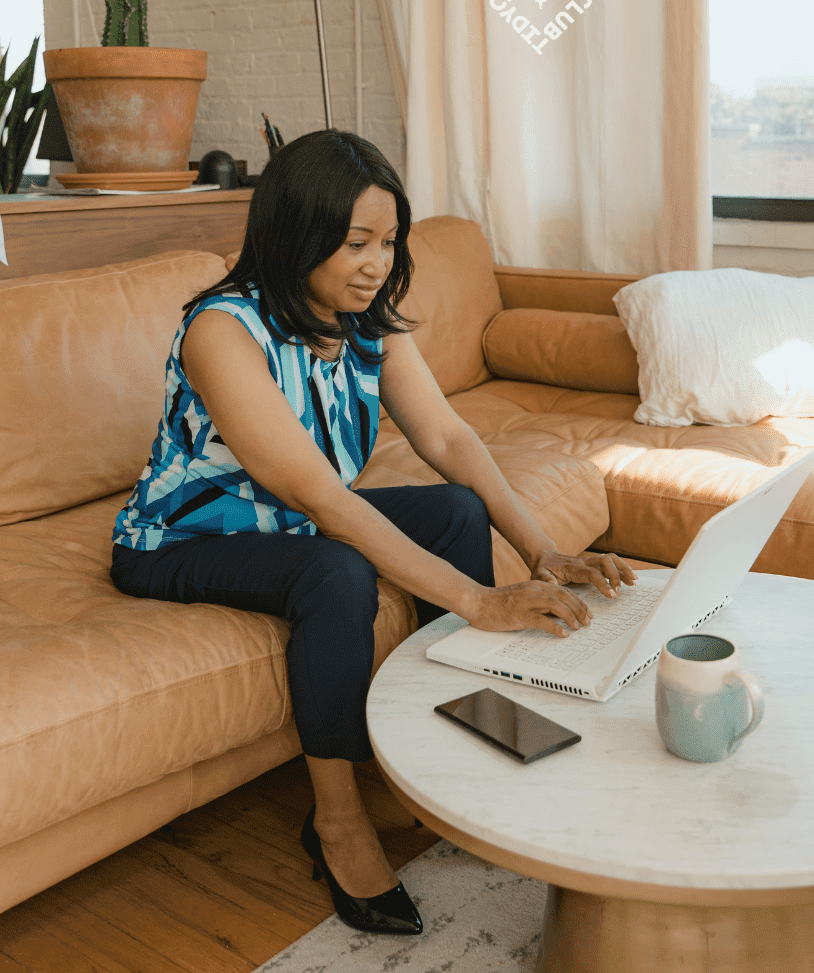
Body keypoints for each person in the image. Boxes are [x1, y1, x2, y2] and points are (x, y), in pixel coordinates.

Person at [109, 129, 635, 936]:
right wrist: (478, 600)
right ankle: (338, 818)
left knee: (455, 507)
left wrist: (543, 551)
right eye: (356, 243)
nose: (376, 262)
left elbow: (450, 441)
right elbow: (318, 495)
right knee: (335, 574)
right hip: (181, 541)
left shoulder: (365, 320)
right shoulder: (224, 331)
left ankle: (459, 742)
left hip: (288, 523)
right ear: (296, 234)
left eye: (388, 242)